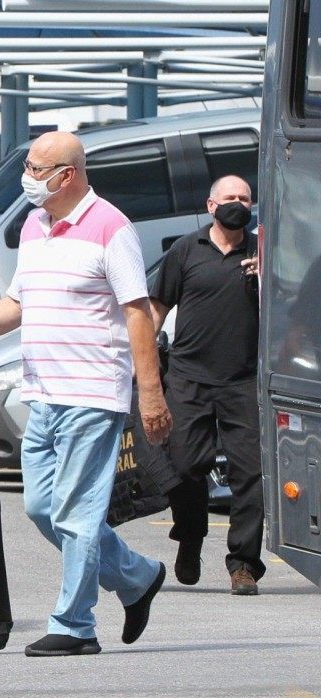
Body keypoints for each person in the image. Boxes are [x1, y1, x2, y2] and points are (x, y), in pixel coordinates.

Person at [0, 131, 171, 657]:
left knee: (77, 514)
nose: (28, 178)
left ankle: (75, 625)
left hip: (93, 394)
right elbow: (16, 304)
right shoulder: (36, 226)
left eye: (37, 169)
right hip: (43, 394)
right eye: (28, 167)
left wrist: (149, 394)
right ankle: (135, 576)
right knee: (42, 508)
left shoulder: (111, 227)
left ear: (68, 175)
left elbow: (138, 313)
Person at [151, 175, 263, 595]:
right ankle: (190, 539)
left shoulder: (262, 251)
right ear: (211, 205)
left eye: (245, 198)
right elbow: (157, 308)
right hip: (188, 378)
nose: (237, 203)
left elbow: (291, 308)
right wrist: (142, 364)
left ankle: (243, 565)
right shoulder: (186, 249)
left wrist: (266, 276)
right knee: (184, 467)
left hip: (244, 380)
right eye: (229, 198)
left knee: (249, 474)